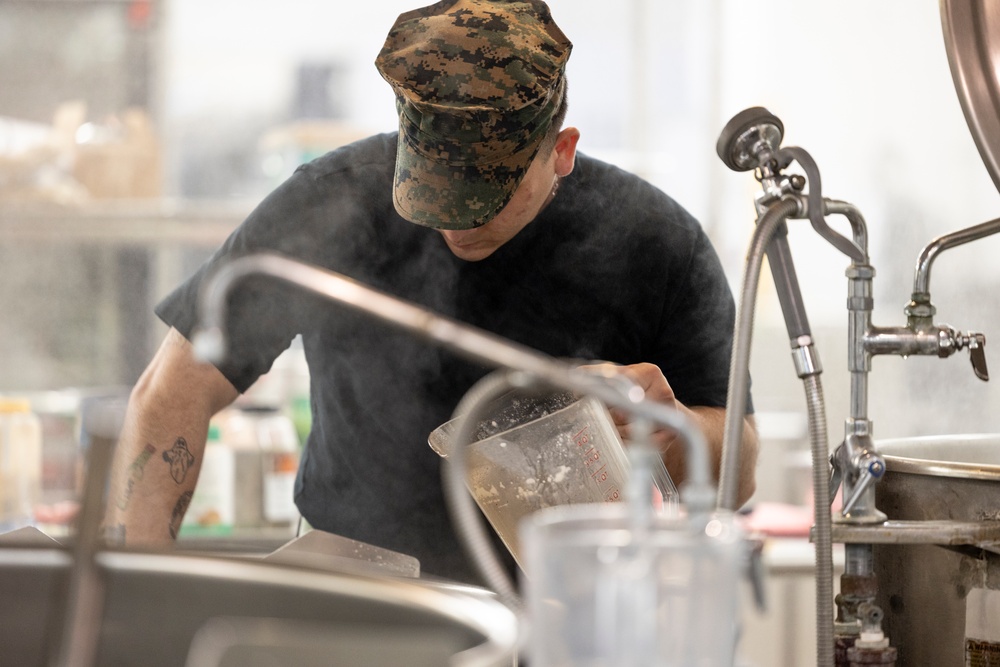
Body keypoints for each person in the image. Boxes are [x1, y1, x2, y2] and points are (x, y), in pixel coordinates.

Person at [105, 0, 759, 585]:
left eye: (485, 199)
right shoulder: (330, 204)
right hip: (356, 606)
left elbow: (742, 470)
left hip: (570, 609)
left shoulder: (654, 241)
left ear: (560, 150)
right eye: (431, 193)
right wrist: (135, 599)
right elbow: (173, 391)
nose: (455, 223)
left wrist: (675, 431)